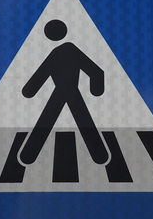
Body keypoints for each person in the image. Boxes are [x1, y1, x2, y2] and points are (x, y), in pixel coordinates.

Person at [17, 18, 110, 166]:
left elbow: (40, 75)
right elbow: (96, 72)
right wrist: (96, 90)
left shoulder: (61, 52)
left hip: (64, 92)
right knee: (82, 120)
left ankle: (28, 155)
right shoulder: (67, 51)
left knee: (48, 120)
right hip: (68, 92)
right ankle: (100, 156)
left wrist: (29, 91)